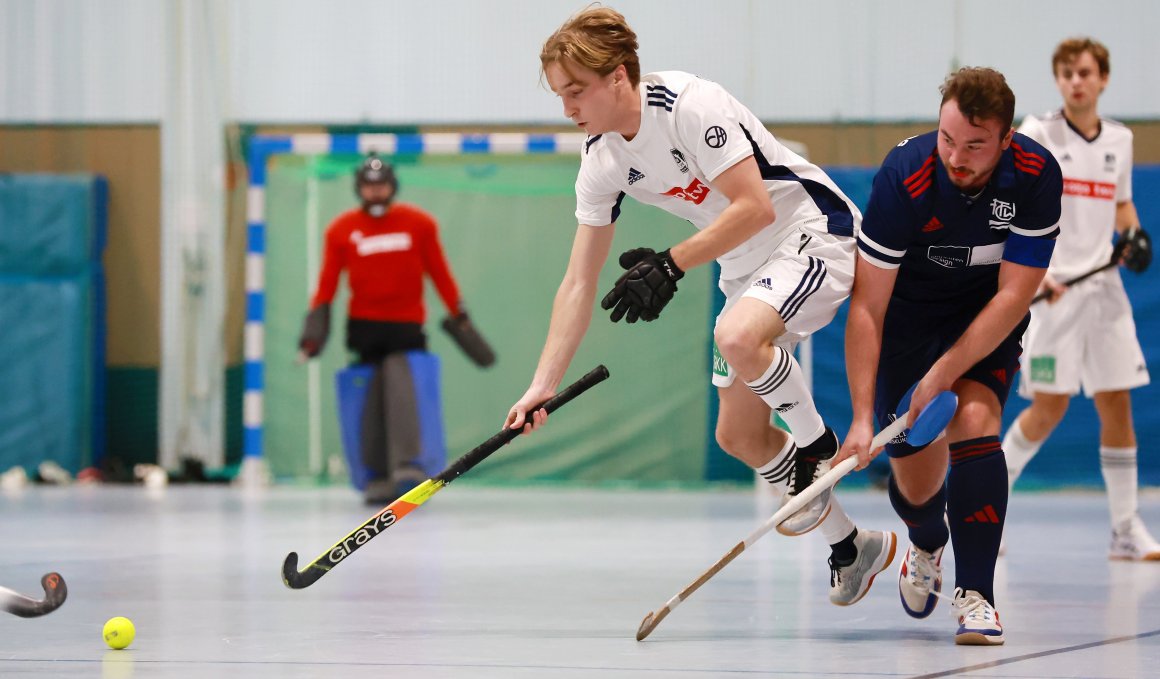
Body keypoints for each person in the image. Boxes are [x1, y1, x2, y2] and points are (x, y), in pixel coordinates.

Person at [505, 6, 895, 607]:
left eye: (576, 91)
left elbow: (756, 205)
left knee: (737, 338)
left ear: (618, 75)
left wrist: (670, 262)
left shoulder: (690, 105)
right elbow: (578, 282)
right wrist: (542, 386)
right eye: (560, 95)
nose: (568, 109)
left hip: (809, 230)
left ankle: (817, 449)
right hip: (743, 261)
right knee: (739, 434)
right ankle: (851, 546)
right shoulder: (601, 160)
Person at [837, 67, 1063, 645]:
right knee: (914, 476)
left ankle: (977, 596)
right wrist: (863, 417)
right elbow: (866, 307)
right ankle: (927, 542)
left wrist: (946, 372)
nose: (956, 156)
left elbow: (1015, 295)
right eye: (947, 138)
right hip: (906, 321)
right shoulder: (904, 177)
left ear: (1006, 139)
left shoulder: (1036, 177)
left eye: (974, 145)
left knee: (975, 418)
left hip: (983, 318)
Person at [1003, 38, 1157, 561]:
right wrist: (1031, 274)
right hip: (1053, 293)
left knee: (1118, 402)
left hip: (1104, 293)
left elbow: (1123, 206)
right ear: (1058, 80)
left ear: (1103, 79)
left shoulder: (1120, 138)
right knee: (1048, 409)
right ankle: (980, 509)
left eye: (1085, 72)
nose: (1076, 81)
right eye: (1067, 72)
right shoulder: (1037, 134)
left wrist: (1135, 236)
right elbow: (1011, 203)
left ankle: (1125, 528)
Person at [299, 153, 485, 504]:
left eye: (381, 185)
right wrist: (313, 332)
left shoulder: (419, 225)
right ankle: (376, 474)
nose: (375, 192)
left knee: (402, 389)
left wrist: (458, 315)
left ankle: (408, 468)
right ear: (360, 188)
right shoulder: (340, 230)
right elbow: (327, 285)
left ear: (392, 186)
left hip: (405, 327)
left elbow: (439, 272)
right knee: (370, 400)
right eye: (369, 186)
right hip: (365, 328)